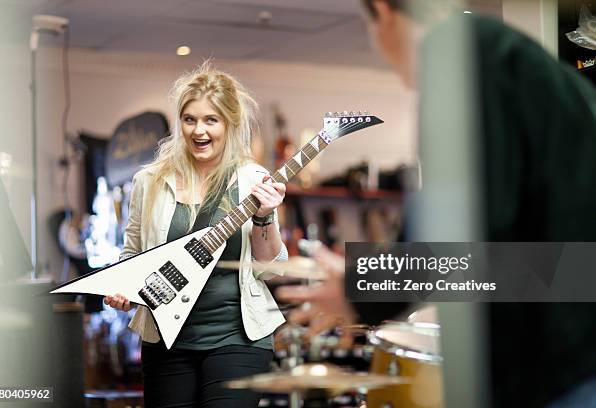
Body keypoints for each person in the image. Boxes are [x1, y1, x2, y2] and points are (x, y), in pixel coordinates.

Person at [278, 1, 596, 407]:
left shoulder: (462, 58)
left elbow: (459, 230)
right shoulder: (497, 53)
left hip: (569, 364)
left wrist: (363, 287)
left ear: (383, 12)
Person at [104, 62, 288, 408]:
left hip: (238, 336)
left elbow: (270, 267)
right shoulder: (150, 181)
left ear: (230, 124)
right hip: (165, 339)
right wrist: (123, 289)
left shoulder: (253, 179)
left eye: (210, 120)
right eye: (190, 119)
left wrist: (264, 217)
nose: (198, 130)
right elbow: (133, 252)